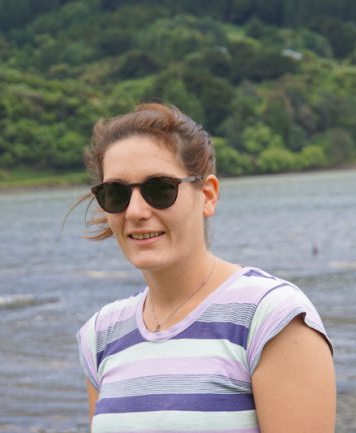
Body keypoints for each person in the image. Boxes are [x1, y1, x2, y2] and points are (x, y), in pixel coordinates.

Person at [75, 103, 336, 433]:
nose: (136, 211)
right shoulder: (101, 335)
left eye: (159, 189)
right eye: (116, 193)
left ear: (208, 195)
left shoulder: (271, 317)